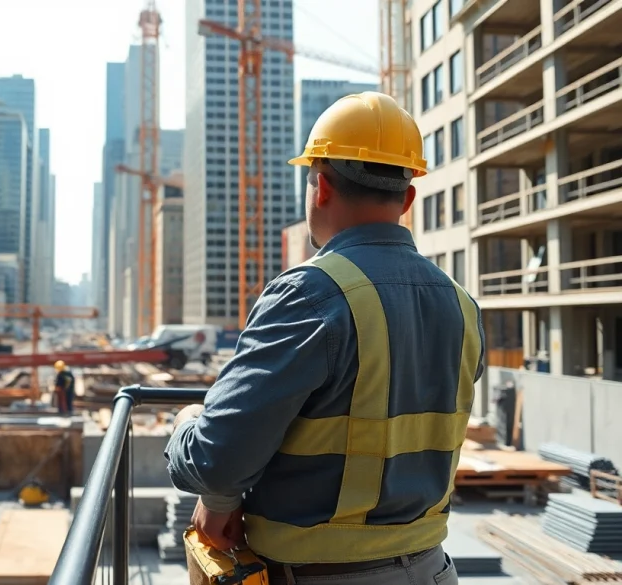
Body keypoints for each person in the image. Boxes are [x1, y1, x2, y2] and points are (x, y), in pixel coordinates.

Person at [163, 92, 486, 585]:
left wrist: (187, 423)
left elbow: (215, 461)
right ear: (407, 199)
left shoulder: (308, 295)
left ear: (322, 187)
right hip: (433, 569)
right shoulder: (461, 304)